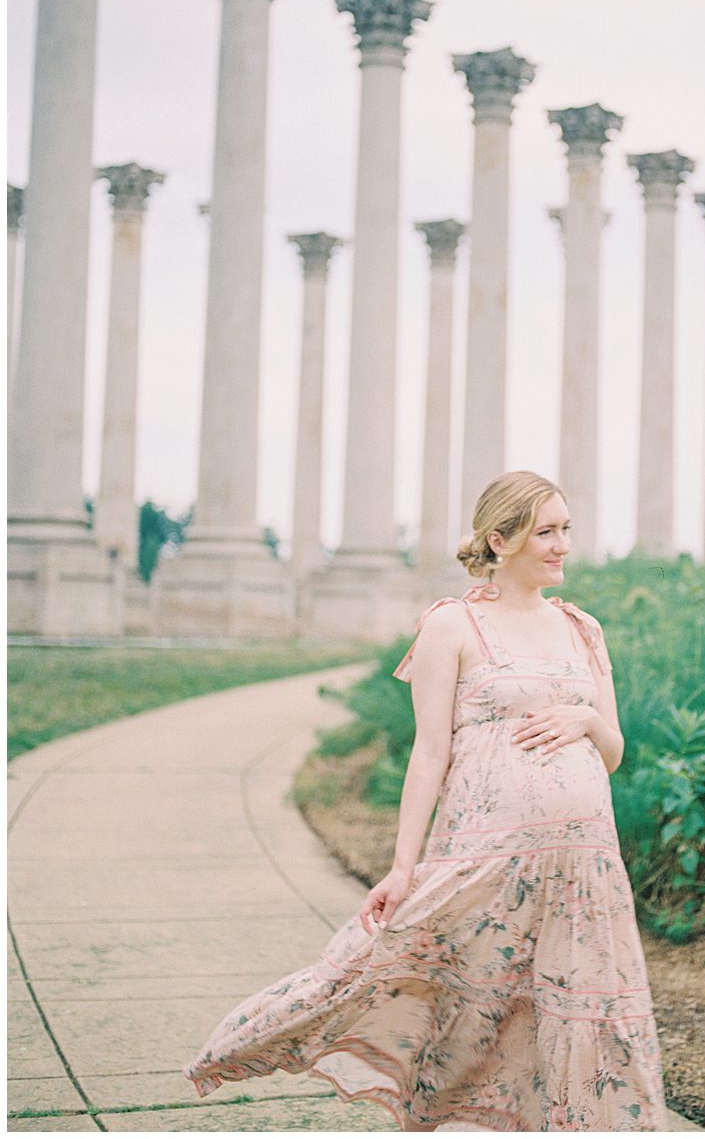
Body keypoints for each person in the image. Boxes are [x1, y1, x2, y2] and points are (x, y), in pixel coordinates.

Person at [183, 470, 671, 1131]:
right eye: (546, 532)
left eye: (565, 530)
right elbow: (430, 754)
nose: (562, 546)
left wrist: (586, 723)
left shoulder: (584, 629)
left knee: (592, 1023)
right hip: (489, 862)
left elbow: (612, 753)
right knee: (447, 1005)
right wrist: (403, 866)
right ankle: (246, 1046)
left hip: (585, 870)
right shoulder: (453, 625)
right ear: (499, 540)